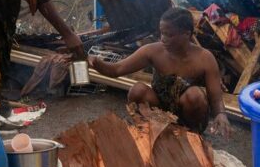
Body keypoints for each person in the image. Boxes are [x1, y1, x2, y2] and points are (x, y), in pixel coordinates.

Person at [89, 8, 230, 135]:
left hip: (188, 118)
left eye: (169, 35)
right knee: (137, 90)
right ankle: (151, 131)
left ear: (186, 34)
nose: (163, 39)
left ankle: (191, 138)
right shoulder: (153, 51)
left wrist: (221, 114)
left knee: (195, 96)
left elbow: (215, 97)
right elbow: (117, 69)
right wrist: (96, 63)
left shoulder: (204, 58)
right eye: (162, 33)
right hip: (159, 112)